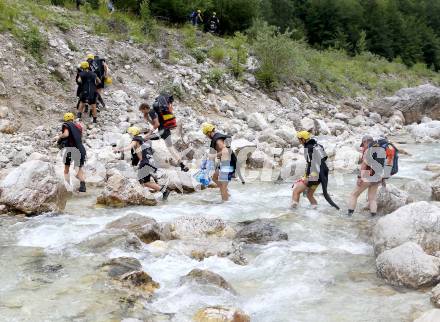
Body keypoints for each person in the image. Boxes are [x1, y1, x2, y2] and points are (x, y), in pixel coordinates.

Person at [114, 127, 170, 200]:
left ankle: (144, 196)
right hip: (151, 162)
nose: (129, 135)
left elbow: (129, 147)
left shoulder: (136, 139)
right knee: (145, 181)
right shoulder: (144, 140)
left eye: (130, 134)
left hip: (145, 163)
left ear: (132, 134)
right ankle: (163, 191)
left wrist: (119, 150)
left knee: (142, 181)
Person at [347, 135, 397, 217]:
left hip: (368, 174)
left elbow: (364, 165)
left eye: (363, 144)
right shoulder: (381, 149)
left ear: (365, 141)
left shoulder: (369, 150)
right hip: (378, 176)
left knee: (354, 195)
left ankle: (349, 216)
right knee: (372, 199)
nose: (363, 146)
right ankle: (373, 217)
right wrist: (383, 179)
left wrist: (359, 177)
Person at [291, 131, 339, 209]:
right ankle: (315, 210)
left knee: (296, 191)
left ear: (303, 139)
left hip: (314, 174)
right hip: (323, 174)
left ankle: (293, 212)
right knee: (309, 195)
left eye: (299, 139)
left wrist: (306, 177)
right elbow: (325, 158)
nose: (299, 141)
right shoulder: (319, 146)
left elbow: (310, 163)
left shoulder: (307, 148)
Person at [139, 99, 189, 172]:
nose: (142, 112)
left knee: (144, 139)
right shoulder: (154, 112)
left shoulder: (151, 112)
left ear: (145, 108)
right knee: (171, 149)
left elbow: (157, 124)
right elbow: (155, 124)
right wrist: (147, 119)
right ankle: (183, 165)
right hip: (166, 131)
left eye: (142, 111)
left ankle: (147, 162)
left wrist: (149, 133)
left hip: (162, 132)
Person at [201, 123, 237, 202]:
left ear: (209, 132)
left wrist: (214, 155)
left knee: (223, 186)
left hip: (229, 162)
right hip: (225, 162)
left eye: (206, 134)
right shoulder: (217, 138)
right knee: (215, 177)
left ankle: (225, 205)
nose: (207, 136)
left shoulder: (217, 140)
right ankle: (227, 195)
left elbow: (225, 151)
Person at [57, 112, 87, 192]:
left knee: (66, 167)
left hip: (71, 149)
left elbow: (66, 134)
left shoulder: (66, 125)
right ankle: (83, 186)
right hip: (81, 148)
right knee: (79, 168)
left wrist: (60, 136)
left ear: (65, 119)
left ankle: (67, 185)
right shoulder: (78, 126)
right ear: (72, 118)